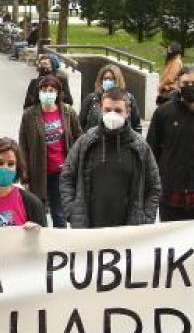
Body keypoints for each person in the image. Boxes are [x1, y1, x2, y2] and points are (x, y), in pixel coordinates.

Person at [60, 86, 160, 229]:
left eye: (118, 110)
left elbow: (154, 185)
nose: (112, 114)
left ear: (128, 112)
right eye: (107, 110)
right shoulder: (86, 142)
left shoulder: (140, 147)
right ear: (101, 109)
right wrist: (73, 212)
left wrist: (146, 218)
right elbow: (67, 177)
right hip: (89, 229)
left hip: (128, 232)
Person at [146, 64, 194, 220]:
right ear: (177, 85)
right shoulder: (163, 113)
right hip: (170, 191)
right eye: (185, 83)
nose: (190, 87)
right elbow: (152, 149)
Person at [18, 75, 82, 227]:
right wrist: (24, 176)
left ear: (58, 93)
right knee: (38, 212)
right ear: (39, 92)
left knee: (59, 212)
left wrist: (75, 165)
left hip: (61, 171)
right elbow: (23, 146)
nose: (48, 93)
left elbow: (79, 138)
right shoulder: (29, 115)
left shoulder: (67, 112)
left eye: (51, 90)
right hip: (38, 172)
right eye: (44, 90)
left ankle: (59, 245)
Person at [77, 63, 142, 132]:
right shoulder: (91, 99)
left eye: (112, 79)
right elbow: (80, 125)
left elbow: (136, 125)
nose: (108, 81)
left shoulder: (129, 98)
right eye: (105, 79)